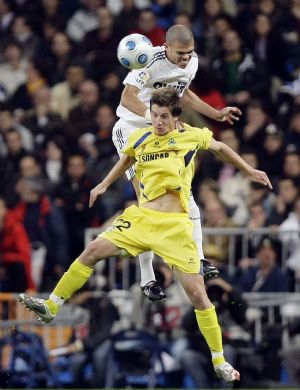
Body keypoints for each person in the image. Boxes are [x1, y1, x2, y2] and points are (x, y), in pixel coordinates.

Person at [20, 87, 272, 384]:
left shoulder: (190, 135)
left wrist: (249, 170)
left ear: (175, 117)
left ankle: (219, 360)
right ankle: (51, 306)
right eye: (154, 116)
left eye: (164, 116)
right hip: (141, 219)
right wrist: (102, 185)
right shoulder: (141, 137)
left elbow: (220, 148)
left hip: (175, 226)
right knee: (92, 251)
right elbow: (126, 160)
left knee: (198, 295)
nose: (159, 122)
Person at [112, 23, 242, 301]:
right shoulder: (148, 60)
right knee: (147, 202)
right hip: (132, 129)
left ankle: (199, 259)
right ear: (166, 47)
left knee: (185, 194)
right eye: (180, 53)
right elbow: (128, 97)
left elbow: (182, 92)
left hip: (160, 131)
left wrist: (215, 113)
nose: (186, 57)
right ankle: (147, 279)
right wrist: (158, 120)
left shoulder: (191, 63)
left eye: (190, 52)